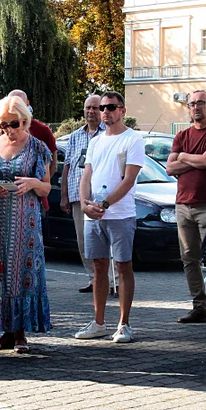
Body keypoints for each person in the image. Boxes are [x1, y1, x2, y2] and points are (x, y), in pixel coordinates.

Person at [0, 94, 52, 352]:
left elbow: (47, 187)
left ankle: (20, 334)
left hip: (24, 220)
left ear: (25, 121)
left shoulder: (38, 147)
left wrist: (33, 183)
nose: (9, 130)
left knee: (21, 273)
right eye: (3, 124)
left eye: (14, 124)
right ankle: (5, 332)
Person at [73, 91, 146, 344]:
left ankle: (124, 324)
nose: (105, 111)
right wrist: (84, 204)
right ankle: (99, 322)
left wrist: (104, 204)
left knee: (123, 266)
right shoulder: (96, 141)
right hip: (94, 214)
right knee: (99, 267)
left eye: (111, 107)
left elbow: (129, 179)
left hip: (120, 214)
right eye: (102, 107)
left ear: (122, 110)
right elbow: (86, 176)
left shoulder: (133, 139)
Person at [167, 90, 206, 323]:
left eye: (200, 103)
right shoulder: (182, 135)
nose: (195, 108)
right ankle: (199, 307)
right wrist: (194, 158)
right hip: (183, 204)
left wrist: (183, 157)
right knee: (188, 258)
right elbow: (170, 168)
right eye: (191, 104)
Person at [61, 95, 104, 293]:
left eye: (95, 108)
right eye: (88, 108)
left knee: (103, 238)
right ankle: (93, 278)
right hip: (78, 196)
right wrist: (64, 196)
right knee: (83, 239)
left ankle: (111, 280)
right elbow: (67, 165)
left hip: (101, 195)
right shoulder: (76, 135)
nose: (91, 112)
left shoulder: (108, 133)